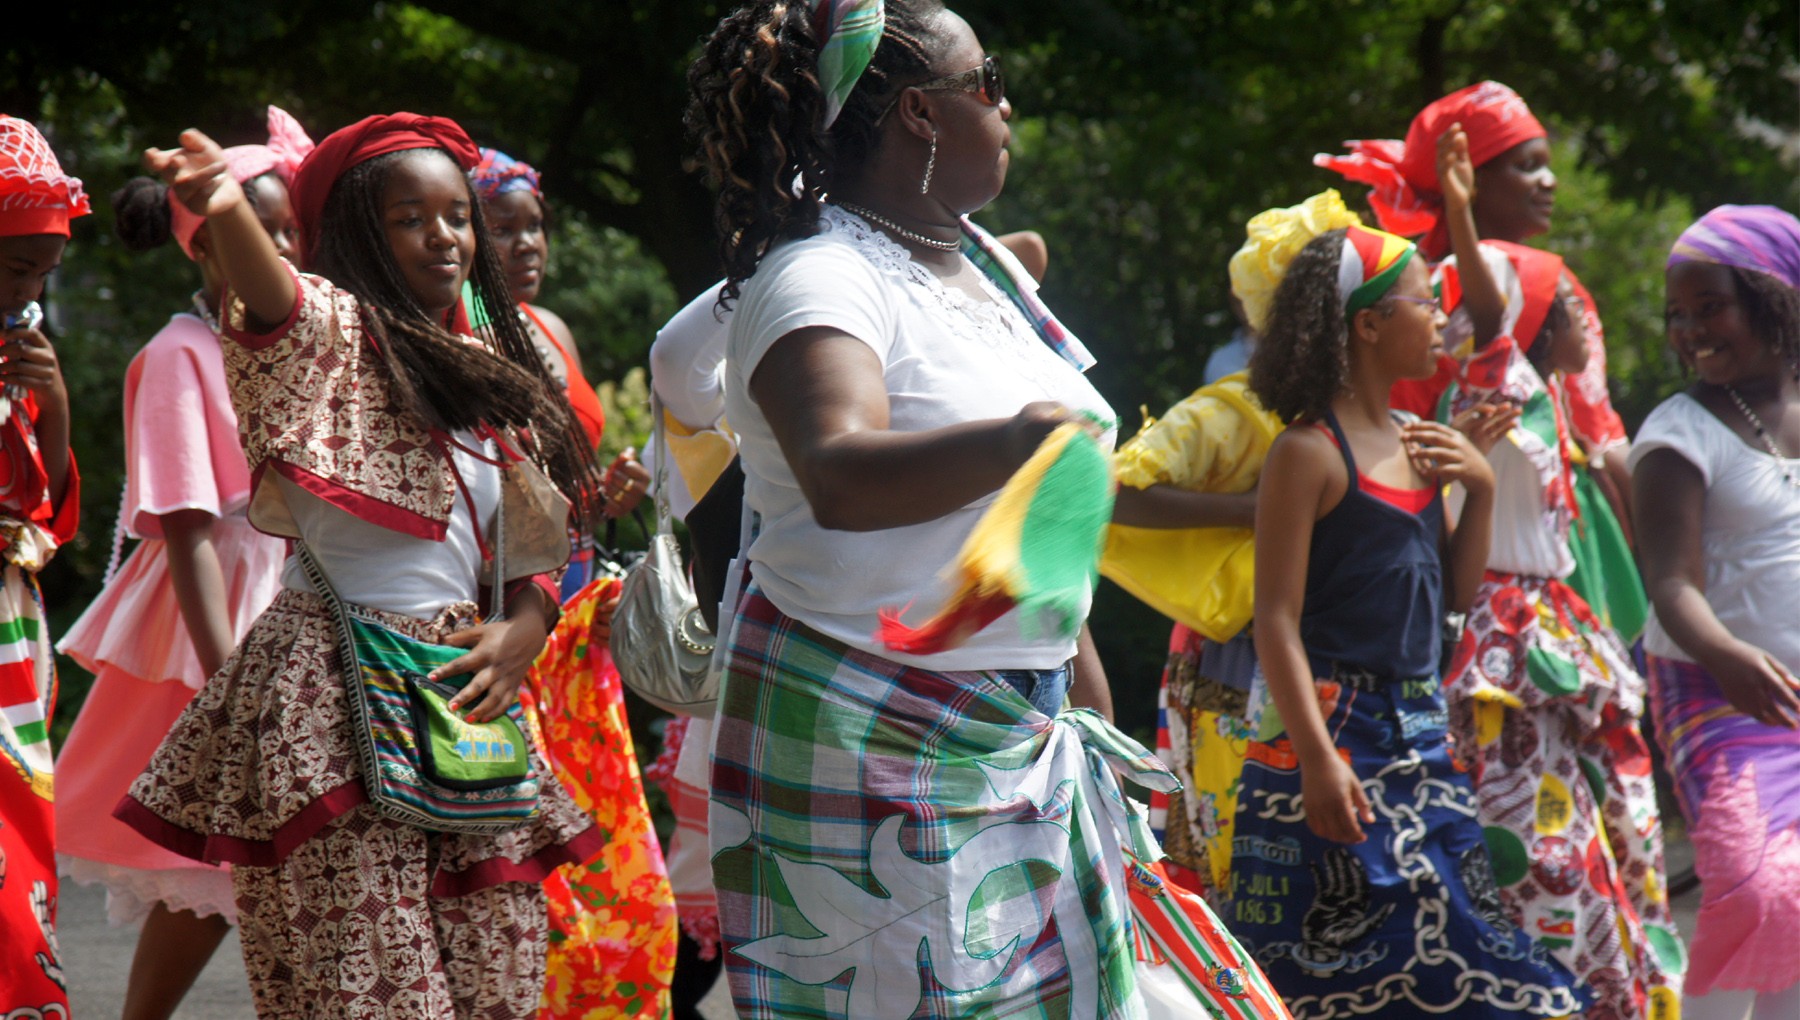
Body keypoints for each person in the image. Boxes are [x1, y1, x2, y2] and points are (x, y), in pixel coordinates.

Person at [687, 3, 1285, 1016]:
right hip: (872, 737)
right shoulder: (820, 277)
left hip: (1022, 725)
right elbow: (838, 471)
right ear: (920, 113)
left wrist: (1083, 689)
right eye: (990, 80)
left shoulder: (979, 273)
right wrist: (1017, 444)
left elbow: (1046, 506)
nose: (1008, 106)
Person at [118, 113, 609, 1018]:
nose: (446, 236)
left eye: (459, 215)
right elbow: (276, 301)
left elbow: (540, 543)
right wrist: (225, 206)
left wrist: (523, 634)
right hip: (329, 702)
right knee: (368, 991)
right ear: (352, 233)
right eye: (410, 217)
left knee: (492, 983)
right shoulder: (327, 336)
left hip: (467, 707)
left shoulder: (486, 369)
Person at [1234, 222, 1586, 1018]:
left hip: (1419, 731)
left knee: (1470, 948)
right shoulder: (1308, 453)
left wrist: (1482, 489)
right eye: (1425, 303)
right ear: (1368, 324)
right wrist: (1318, 761)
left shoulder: (1418, 443)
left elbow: (1453, 600)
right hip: (1328, 739)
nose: (1440, 320)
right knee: (1317, 976)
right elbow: (1275, 622)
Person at [54, 105, 309, 1020]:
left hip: (302, 597)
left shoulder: (294, 346)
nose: (281, 248)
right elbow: (192, 528)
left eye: (290, 231)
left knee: (275, 855)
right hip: (222, 618)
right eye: (259, 228)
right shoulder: (179, 353)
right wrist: (229, 677)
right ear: (203, 248)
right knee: (203, 861)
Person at [1432, 125, 1682, 1017]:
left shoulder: (1549, 409)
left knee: (1615, 829)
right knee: (1544, 850)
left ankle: (1615, 987)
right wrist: (1460, 215)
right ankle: (1557, 995)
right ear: (1537, 319)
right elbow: (1491, 311)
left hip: (1552, 625)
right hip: (1512, 644)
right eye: (1566, 303)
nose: (1585, 314)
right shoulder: (1498, 385)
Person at [1317, 80, 1647, 656]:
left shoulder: (1553, 282)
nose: (1549, 181)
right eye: (1526, 166)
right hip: (1478, 540)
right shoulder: (1435, 298)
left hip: (1564, 524)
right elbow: (1490, 330)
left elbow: (1600, 429)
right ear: (1470, 180)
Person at [469, 143, 677, 1020]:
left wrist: (607, 490)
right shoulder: (455, 338)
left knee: (609, 857)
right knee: (532, 873)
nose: (527, 244)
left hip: (575, 622)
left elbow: (563, 489)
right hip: (501, 622)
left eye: (536, 226)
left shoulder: (552, 329)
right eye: (502, 227)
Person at [1105, 190, 1357, 899]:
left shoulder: (1364, 417)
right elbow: (1113, 491)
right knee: (1239, 859)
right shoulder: (1233, 409)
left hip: (1328, 653)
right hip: (1237, 660)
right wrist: (1259, 510)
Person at [1633, 205, 1800, 1020]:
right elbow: (1670, 582)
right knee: (1753, 885)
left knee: (1797, 903)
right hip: (1714, 691)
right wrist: (1728, 655)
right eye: (1678, 314)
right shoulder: (1679, 433)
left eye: (1710, 307)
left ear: (1773, 298)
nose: (1690, 329)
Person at [0, 113, 85, 1020]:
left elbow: (47, 513)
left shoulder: (18, 353)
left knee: (17, 830)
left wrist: (52, 403)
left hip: (12, 633)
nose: (28, 290)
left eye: (43, 275)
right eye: (14, 266)